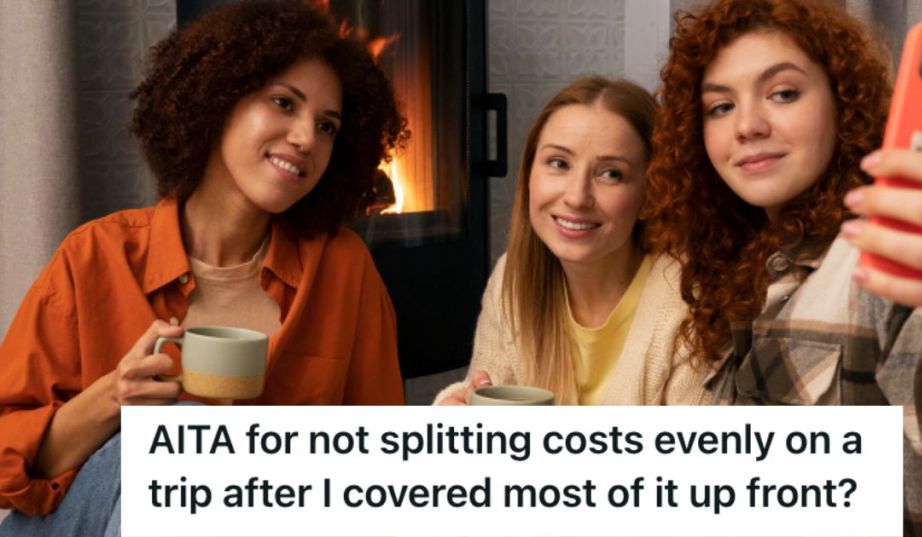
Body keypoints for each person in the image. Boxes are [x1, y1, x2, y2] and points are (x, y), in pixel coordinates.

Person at [0, 1, 407, 533]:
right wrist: (114, 399)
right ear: (219, 100)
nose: (307, 138)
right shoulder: (95, 255)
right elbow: (11, 465)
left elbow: (380, 459)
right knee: (178, 441)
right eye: (284, 103)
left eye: (327, 126)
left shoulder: (342, 268)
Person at [644, 0, 922, 534]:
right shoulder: (732, 271)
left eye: (783, 93)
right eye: (720, 107)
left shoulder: (881, 251)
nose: (748, 125)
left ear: (844, 104)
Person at [436, 76, 711, 406]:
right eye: (558, 163)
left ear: (651, 196)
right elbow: (486, 394)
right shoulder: (512, 278)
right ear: (529, 174)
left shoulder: (690, 302)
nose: (577, 197)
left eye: (611, 173)